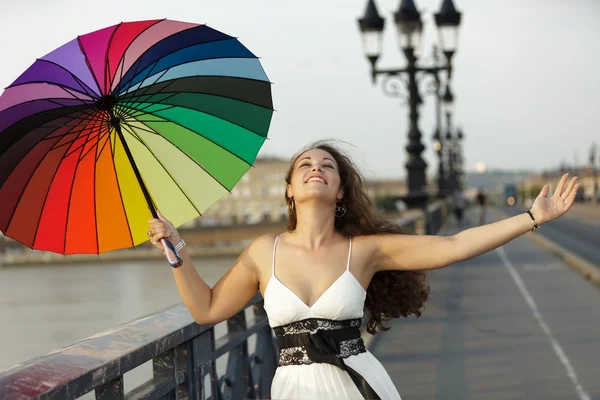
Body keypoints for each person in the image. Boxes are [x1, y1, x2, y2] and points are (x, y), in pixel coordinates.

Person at [147, 141, 579, 400]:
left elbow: (453, 245)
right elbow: (205, 309)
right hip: (294, 390)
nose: (316, 168)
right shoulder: (265, 251)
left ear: (338, 190)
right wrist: (175, 248)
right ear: (290, 191)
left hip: (359, 385)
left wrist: (532, 217)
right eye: (305, 165)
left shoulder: (364, 250)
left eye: (327, 166)